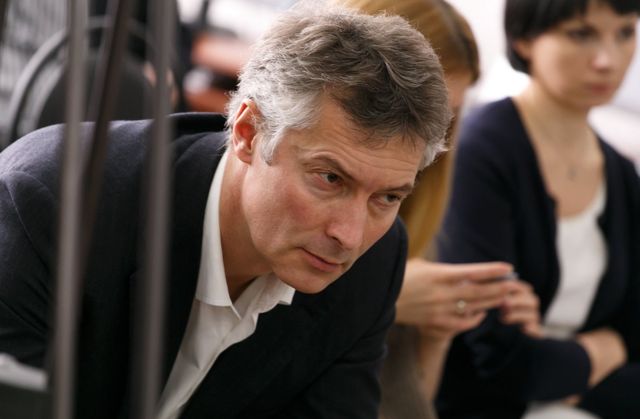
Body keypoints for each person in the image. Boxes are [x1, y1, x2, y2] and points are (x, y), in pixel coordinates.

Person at [0, 3, 452, 419]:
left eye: (387, 198)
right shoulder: (49, 204)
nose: (350, 236)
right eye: (330, 178)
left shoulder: (375, 262)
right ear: (248, 132)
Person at [335, 1, 542, 418]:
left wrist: (440, 329)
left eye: (445, 118)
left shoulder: (418, 213)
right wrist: (383, 295)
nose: (427, 139)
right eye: (414, 110)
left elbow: (410, 405)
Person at [437, 0, 640, 418]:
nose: (608, 60)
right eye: (581, 34)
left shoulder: (621, 175)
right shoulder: (481, 152)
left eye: (625, 33)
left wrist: (573, 377)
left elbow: (635, 330)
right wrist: (602, 353)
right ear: (525, 39)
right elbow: (500, 359)